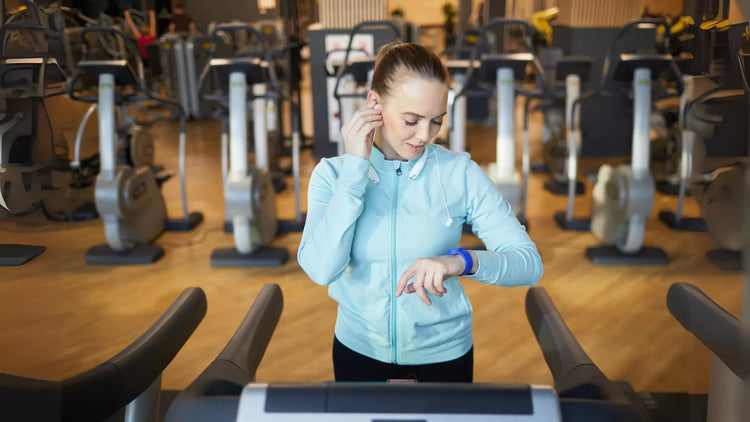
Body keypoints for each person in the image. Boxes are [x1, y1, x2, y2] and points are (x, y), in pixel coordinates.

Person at [298, 42, 543, 383]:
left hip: (444, 356)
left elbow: (528, 263)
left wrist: (460, 261)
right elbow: (322, 270)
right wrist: (355, 170)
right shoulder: (333, 175)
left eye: (436, 121)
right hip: (358, 352)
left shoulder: (459, 173)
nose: (424, 135)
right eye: (411, 120)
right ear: (374, 105)